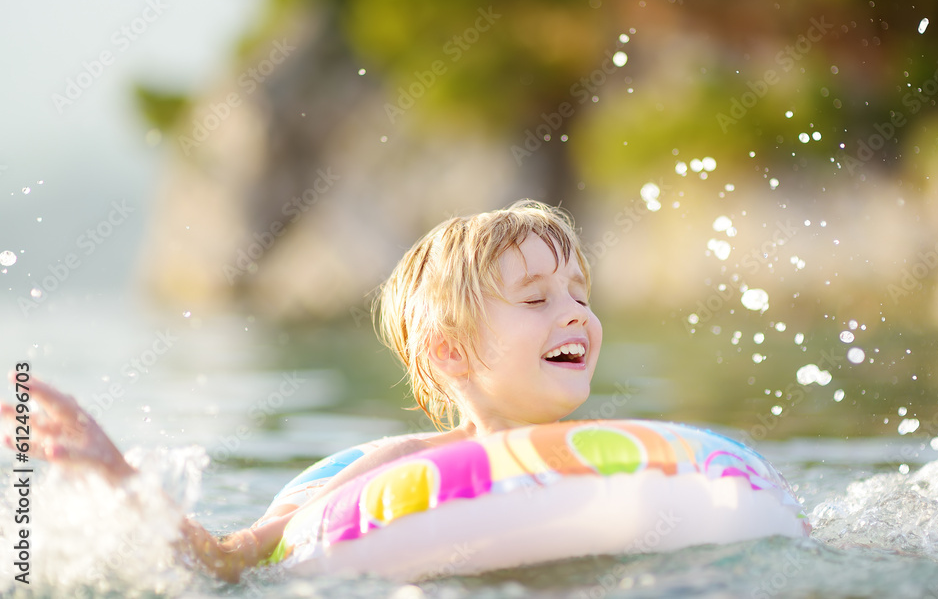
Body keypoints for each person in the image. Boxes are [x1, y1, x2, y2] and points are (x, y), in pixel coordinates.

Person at [1, 199, 603, 582]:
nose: (575, 313)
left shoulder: (619, 457)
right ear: (449, 350)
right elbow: (229, 561)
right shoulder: (404, 466)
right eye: (535, 298)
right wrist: (120, 477)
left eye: (580, 294)